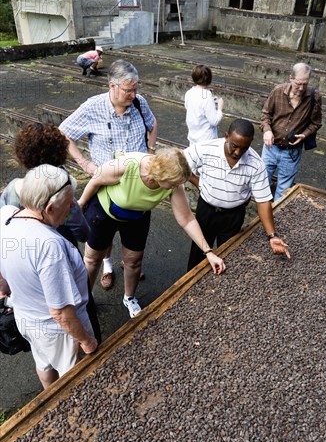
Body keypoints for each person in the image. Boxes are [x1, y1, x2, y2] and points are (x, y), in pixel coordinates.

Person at [78, 147, 226, 318]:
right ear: (159, 174)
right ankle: (85, 301)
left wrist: (208, 252)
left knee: (133, 261)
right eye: (172, 183)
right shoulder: (128, 166)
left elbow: (186, 218)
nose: (176, 186)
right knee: (92, 259)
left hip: (137, 214)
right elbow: (96, 179)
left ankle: (129, 298)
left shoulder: (174, 183)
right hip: (104, 209)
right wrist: (81, 205)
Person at [59, 59, 157, 289]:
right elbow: (63, 133)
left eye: (135, 88)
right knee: (97, 245)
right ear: (111, 86)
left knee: (133, 244)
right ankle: (107, 266)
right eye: (128, 90)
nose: (133, 95)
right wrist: (84, 163)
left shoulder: (140, 103)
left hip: (136, 188)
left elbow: (153, 124)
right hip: (103, 187)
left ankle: (128, 266)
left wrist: (151, 151)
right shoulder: (93, 107)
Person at [0, 123, 101, 344]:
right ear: (58, 154)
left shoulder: (11, 189)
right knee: (76, 310)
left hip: (23, 263)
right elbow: (83, 233)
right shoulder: (61, 193)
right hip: (59, 261)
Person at [0, 165, 98, 389]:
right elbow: (61, 312)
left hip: (26, 318)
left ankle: (48, 396)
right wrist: (86, 341)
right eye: (69, 203)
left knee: (43, 363)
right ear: (50, 207)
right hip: (58, 332)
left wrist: (4, 288)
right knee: (78, 380)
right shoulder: (48, 245)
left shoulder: (6, 216)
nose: (73, 206)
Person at [183, 118, 291, 271]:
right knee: (198, 255)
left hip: (233, 216)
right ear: (226, 136)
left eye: (244, 148)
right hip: (206, 210)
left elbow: (263, 201)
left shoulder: (256, 164)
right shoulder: (205, 148)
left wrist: (272, 236)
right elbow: (180, 162)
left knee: (228, 257)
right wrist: (198, 182)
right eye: (234, 146)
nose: (238, 152)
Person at [260, 62, 322, 201]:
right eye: (298, 83)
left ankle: (276, 220)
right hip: (271, 148)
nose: (301, 88)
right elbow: (265, 115)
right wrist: (267, 130)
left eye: (305, 84)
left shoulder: (314, 97)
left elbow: (316, 123)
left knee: (283, 192)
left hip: (292, 152)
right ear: (291, 78)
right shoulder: (278, 91)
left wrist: (305, 134)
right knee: (261, 184)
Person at [185, 64, 224, 145]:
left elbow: (189, 106)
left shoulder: (189, 92)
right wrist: (220, 108)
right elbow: (214, 121)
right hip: (206, 140)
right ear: (209, 79)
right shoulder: (207, 96)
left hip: (192, 137)